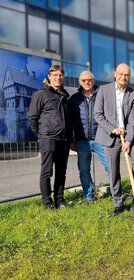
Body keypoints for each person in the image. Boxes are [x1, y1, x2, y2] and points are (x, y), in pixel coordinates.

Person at [94, 63, 134, 216]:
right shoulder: (103, 90)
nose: (123, 77)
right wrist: (112, 129)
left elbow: (133, 121)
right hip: (110, 136)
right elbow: (98, 114)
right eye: (120, 74)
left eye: (126, 75)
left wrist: (128, 140)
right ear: (115, 74)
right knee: (114, 170)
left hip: (128, 135)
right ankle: (118, 203)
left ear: (129, 77)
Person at [29, 65, 71, 209]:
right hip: (48, 139)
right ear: (49, 76)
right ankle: (48, 202)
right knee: (47, 172)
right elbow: (32, 117)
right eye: (55, 75)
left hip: (63, 140)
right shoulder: (41, 94)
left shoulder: (65, 96)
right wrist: (41, 135)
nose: (58, 78)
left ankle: (59, 200)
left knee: (61, 172)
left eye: (60, 75)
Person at [69, 70, 109, 204]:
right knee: (84, 170)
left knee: (110, 166)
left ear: (94, 81)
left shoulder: (102, 95)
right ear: (80, 82)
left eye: (89, 80)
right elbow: (71, 121)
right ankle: (89, 196)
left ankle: (117, 193)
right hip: (82, 140)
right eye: (84, 80)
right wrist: (71, 139)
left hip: (101, 138)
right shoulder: (74, 99)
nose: (87, 82)